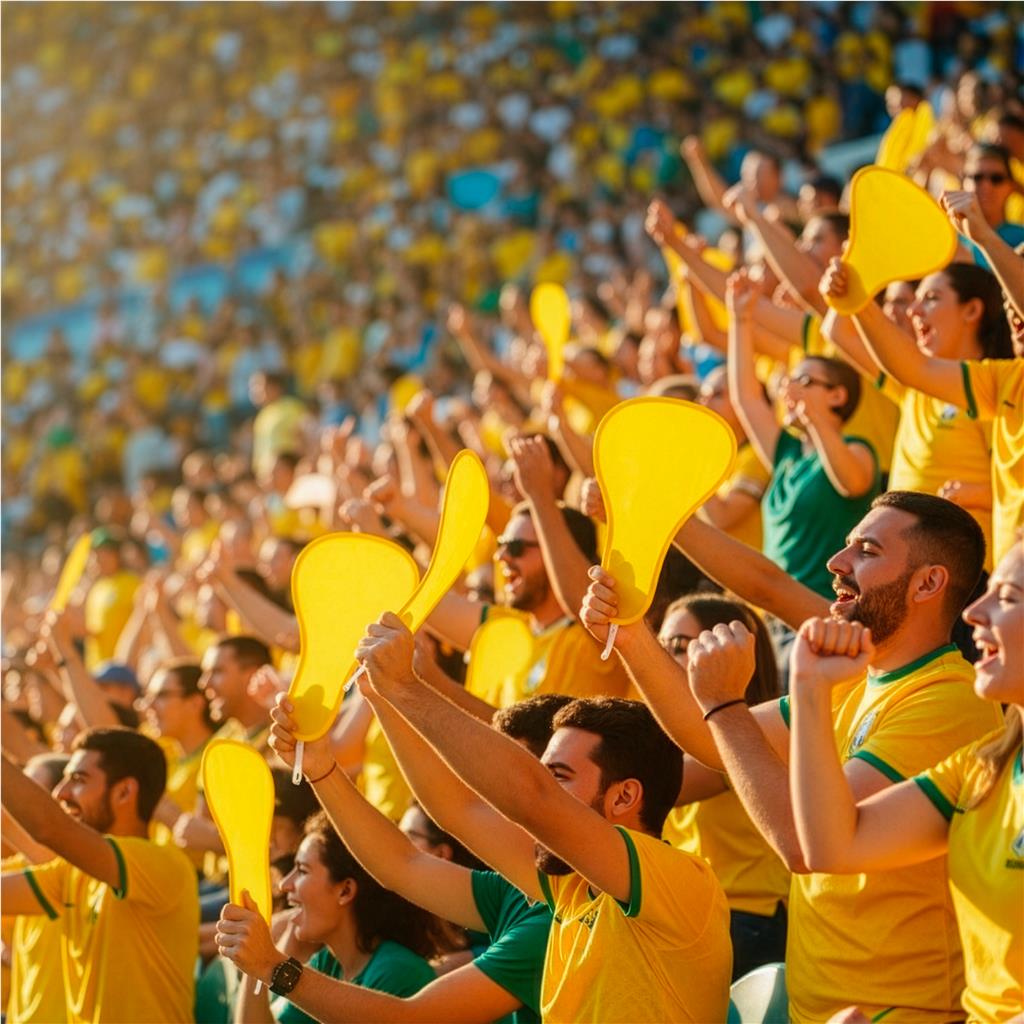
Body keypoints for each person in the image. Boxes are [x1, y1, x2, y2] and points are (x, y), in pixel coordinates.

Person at [583, 490, 1004, 1022]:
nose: (837, 562)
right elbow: (709, 741)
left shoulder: (946, 700)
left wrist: (725, 705)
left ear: (928, 583)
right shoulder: (852, 679)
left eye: (867, 551)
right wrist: (630, 635)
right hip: (817, 1006)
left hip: (897, 1012)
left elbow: (809, 845)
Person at [347, 613, 733, 1023]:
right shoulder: (571, 888)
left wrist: (406, 688)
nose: (544, 790)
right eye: (542, 773)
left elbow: (531, 798)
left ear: (624, 796)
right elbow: (455, 810)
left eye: (559, 776)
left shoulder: (679, 879)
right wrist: (383, 698)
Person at [788, 537, 1023, 1022]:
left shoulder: (953, 710)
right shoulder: (983, 767)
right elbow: (831, 847)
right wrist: (809, 687)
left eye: (1007, 597)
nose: (973, 613)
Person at [219, 692, 552, 1024]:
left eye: (518, 783)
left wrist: (271, 965)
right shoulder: (521, 896)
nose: (495, 800)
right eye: (491, 784)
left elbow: (413, 1019)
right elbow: (403, 864)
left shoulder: (547, 919)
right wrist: (320, 766)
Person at [821, 259, 1010, 570]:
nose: (913, 311)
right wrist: (852, 268)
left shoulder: (995, 389)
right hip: (910, 567)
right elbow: (838, 331)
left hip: (970, 574)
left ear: (972, 310)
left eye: (932, 298)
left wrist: (979, 494)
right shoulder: (914, 385)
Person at [1, 728, 199, 1023]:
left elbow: (48, 828)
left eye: (79, 780)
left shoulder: (161, 863)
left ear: (124, 792)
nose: (60, 793)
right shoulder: (71, 874)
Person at [657, 594, 789, 980]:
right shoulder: (670, 740)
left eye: (678, 645)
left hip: (748, 919)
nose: (663, 657)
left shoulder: (746, 731)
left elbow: (655, 786)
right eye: (660, 645)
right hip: (695, 915)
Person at [727, 271, 880, 601]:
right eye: (791, 380)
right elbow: (747, 398)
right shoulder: (788, 453)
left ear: (837, 396)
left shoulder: (858, 450)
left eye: (806, 382)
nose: (790, 389)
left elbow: (852, 483)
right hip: (775, 612)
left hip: (824, 607)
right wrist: (740, 319)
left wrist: (814, 419)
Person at [222, 811, 445, 1024]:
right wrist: (255, 965)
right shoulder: (328, 963)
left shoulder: (397, 972)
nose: (284, 884)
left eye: (302, 870)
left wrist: (267, 962)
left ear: (345, 891)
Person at [2, 752, 69, 1024]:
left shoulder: (77, 869)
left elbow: (9, 821)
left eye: (29, 790)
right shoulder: (22, 864)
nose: (16, 800)